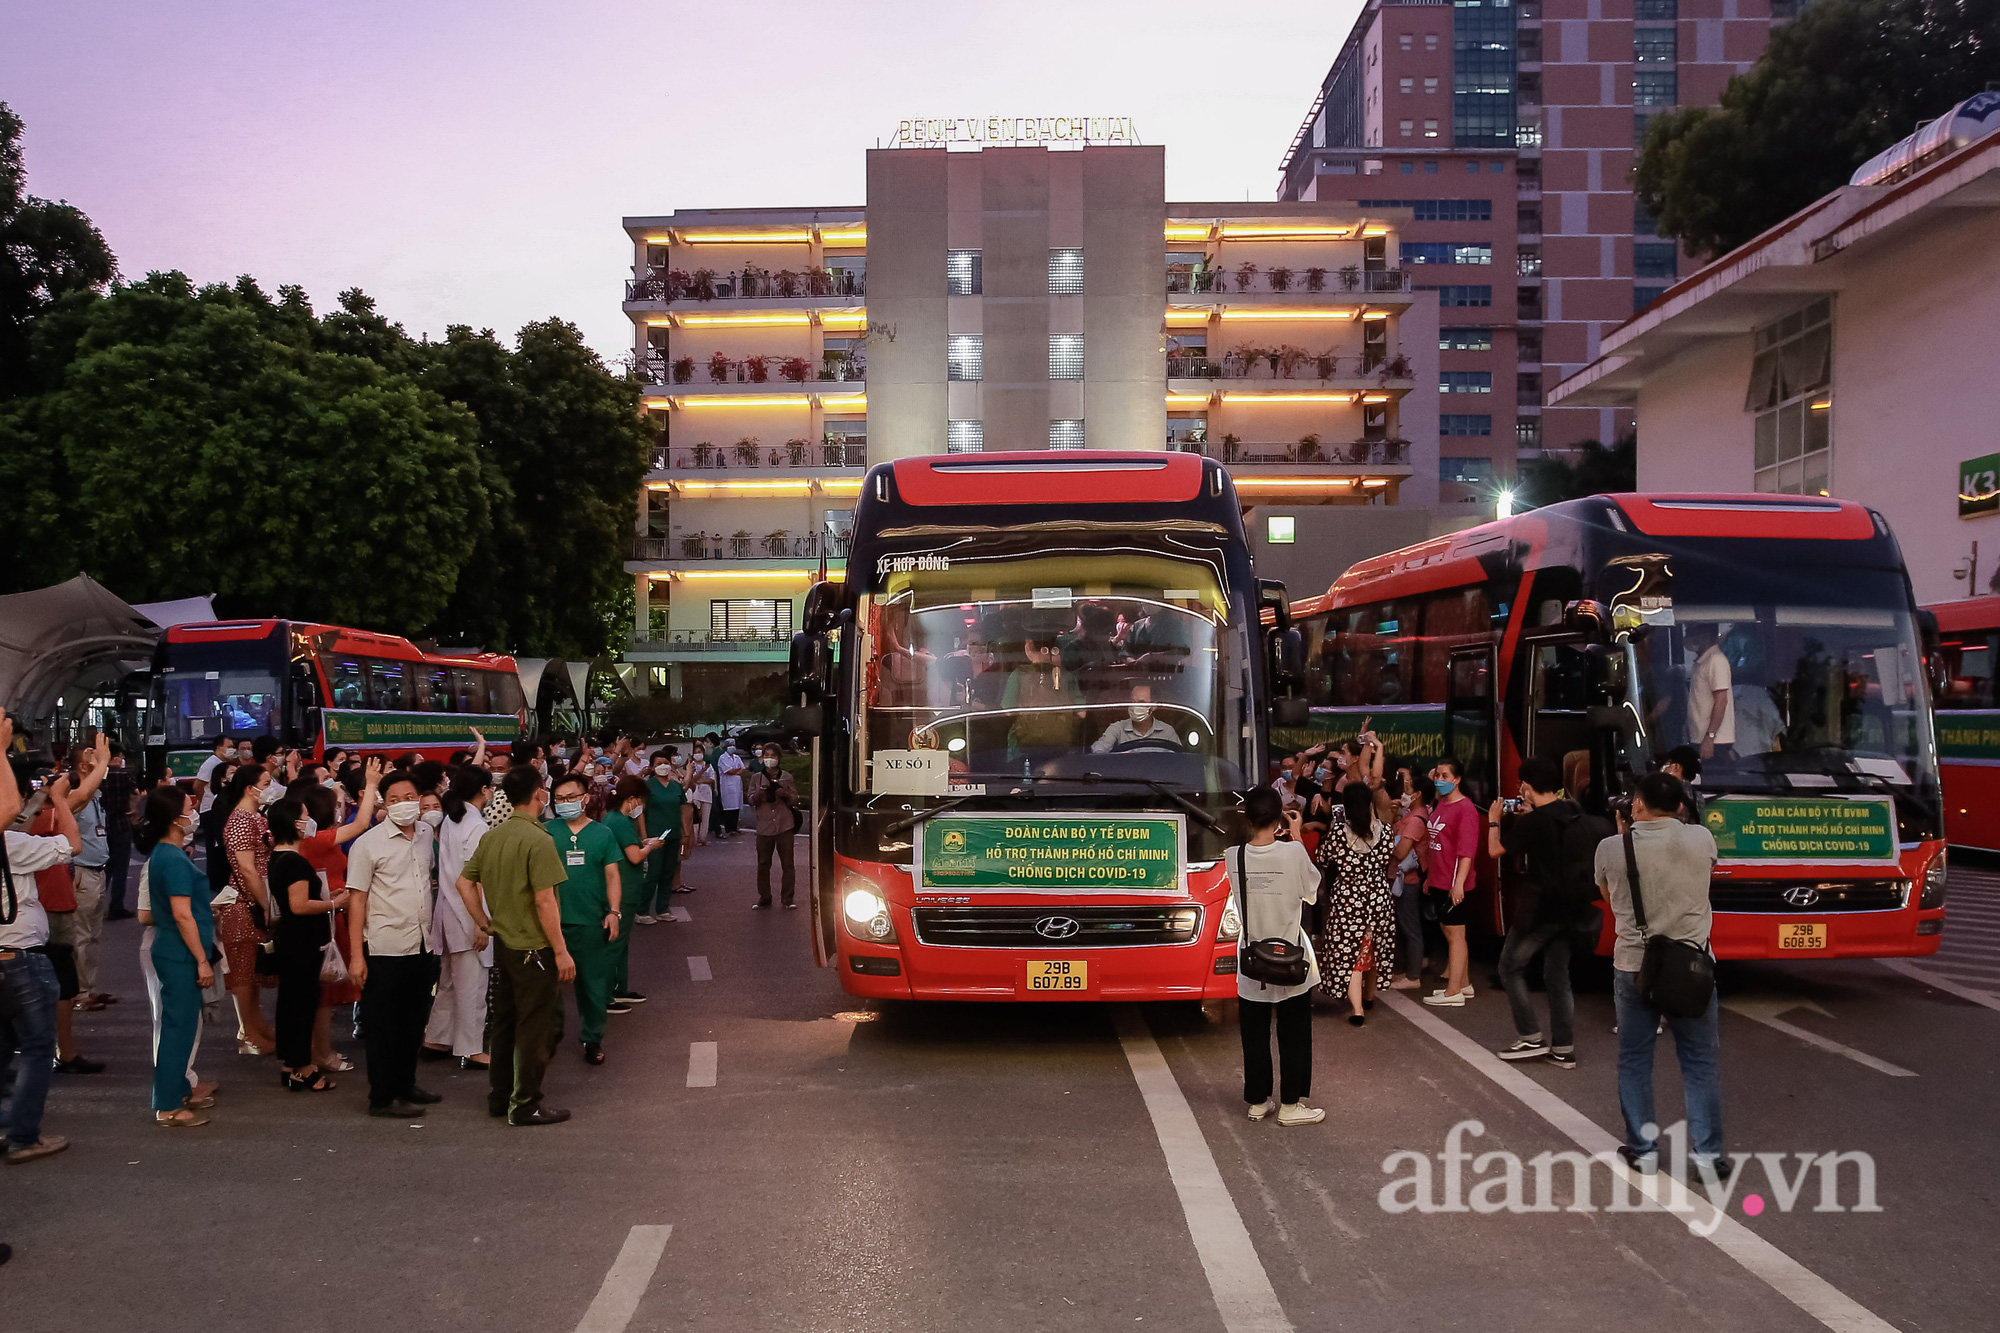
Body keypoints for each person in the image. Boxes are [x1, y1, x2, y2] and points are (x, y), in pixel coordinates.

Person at [1594, 771, 1726, 1175]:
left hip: (1635, 967)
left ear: (1636, 805)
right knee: (1699, 1062)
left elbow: (1608, 894)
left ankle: (1644, 1150)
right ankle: (1708, 1158)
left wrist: (1624, 834)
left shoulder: (1611, 848)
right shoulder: (1701, 839)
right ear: (1682, 807)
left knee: (1635, 1059)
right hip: (1692, 967)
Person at [454, 765, 573, 1126]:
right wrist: (561, 950)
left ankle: (500, 1095)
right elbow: (545, 901)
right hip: (534, 949)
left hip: (504, 944)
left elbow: (464, 883)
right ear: (539, 794)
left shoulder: (493, 836)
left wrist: (484, 923)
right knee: (538, 1027)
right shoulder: (539, 840)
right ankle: (525, 1104)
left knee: (505, 1023)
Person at [1487, 757, 1600, 1068]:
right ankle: (1563, 1048)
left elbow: (1495, 850)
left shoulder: (1537, 821)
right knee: (1557, 975)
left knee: (1509, 966)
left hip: (1542, 909)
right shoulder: (1573, 809)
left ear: (1527, 785)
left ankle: (1530, 1037)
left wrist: (1494, 820)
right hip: (1574, 908)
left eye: (1522, 783)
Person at [345, 772, 440, 1118]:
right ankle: (382, 1097)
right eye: (395, 799)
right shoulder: (367, 844)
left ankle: (406, 1083)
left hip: (421, 943)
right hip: (384, 947)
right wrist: (357, 956)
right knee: (384, 1026)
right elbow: (356, 900)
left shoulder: (426, 834)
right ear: (384, 802)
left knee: (413, 1022)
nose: (404, 804)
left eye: (409, 796)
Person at [2, 736, 78, 1161]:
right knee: (35, 1048)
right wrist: (60, 800)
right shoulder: (9, 846)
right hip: (20, 957)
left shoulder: (11, 841)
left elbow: (17, 816)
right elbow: (70, 845)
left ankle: (7, 1127)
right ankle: (24, 1136)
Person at [1231, 786, 1325, 1126]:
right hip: (1290, 957)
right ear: (1278, 817)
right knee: (1294, 1031)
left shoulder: (1234, 856)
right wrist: (1297, 836)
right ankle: (1290, 1105)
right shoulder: (1293, 853)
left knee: (1254, 1032)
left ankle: (1258, 1100)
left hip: (1252, 959)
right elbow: (1311, 891)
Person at [137, 784, 215, 1129]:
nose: (194, 810)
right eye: (188, 805)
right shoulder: (172, 858)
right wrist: (201, 958)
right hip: (179, 952)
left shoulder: (165, 854)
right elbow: (182, 915)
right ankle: (167, 1105)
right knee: (178, 1029)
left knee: (179, 1025)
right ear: (174, 817)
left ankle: (178, 1090)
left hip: (173, 948)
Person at [297, 770, 375, 1072]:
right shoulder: (316, 840)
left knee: (324, 996)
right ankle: (321, 1054)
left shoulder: (316, 839)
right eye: (337, 803)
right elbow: (361, 823)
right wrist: (371, 786)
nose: (341, 807)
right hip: (326, 917)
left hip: (333, 916)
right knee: (323, 997)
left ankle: (323, 1050)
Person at [267, 797, 345, 1092]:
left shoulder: (278, 858)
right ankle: (302, 1066)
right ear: (294, 823)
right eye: (305, 815)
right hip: (301, 942)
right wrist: (333, 903)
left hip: (291, 941)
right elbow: (298, 905)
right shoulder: (295, 862)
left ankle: (293, 1065)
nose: (309, 820)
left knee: (292, 1004)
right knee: (301, 1005)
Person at [547, 772, 623, 1067]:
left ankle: (593, 1039)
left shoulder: (602, 834)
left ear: (585, 799)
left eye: (570, 798)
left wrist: (614, 912)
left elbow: (612, 875)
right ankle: (550, 1035)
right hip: (552, 921)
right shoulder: (547, 832)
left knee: (592, 985)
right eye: (559, 799)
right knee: (548, 986)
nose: (565, 803)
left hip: (591, 921)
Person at [1312, 782, 1399, 1026]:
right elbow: (1388, 856)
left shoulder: (1339, 833)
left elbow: (1322, 858)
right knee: (1374, 948)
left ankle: (1357, 1009)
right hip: (1379, 896)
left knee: (1349, 952)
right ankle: (1369, 997)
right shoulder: (1386, 830)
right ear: (1370, 804)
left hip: (1349, 898)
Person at [424, 765, 492, 1069]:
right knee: (472, 985)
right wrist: (481, 922)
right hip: (468, 913)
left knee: (450, 982)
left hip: (449, 911)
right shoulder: (475, 825)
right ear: (483, 791)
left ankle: (437, 1038)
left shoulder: (454, 819)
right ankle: (471, 1048)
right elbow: (475, 877)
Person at [217, 764, 279, 1054]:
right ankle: (249, 1033)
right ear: (249, 788)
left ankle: (257, 1026)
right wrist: (266, 905)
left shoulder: (256, 817)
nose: (271, 786)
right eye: (266, 782)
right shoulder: (241, 820)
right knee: (242, 972)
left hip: (255, 901)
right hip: (245, 905)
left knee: (252, 971)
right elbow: (247, 868)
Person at [1421, 756, 1480, 1006]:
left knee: (1456, 935)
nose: (1440, 780)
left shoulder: (1466, 809)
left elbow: (1466, 852)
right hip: (1439, 879)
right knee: (1450, 932)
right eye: (1438, 775)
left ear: (1457, 780)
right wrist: (1430, 878)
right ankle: (1464, 983)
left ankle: (1453, 991)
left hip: (1454, 883)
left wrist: (1458, 884)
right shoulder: (1441, 804)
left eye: (1446, 776)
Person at [66, 736, 118, 1013]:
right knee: (81, 936)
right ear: (83, 766)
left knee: (93, 936)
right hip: (82, 871)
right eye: (93, 754)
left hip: (97, 870)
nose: (100, 756)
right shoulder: (76, 797)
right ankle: (80, 993)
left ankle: (90, 987)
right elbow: (82, 797)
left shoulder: (95, 796)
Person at [1002, 633, 1084, 768]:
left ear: (1028, 646)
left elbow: (1008, 712)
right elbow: (1082, 714)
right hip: (1060, 748)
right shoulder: (1067, 676)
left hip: (1022, 749)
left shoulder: (1018, 674)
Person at [1385, 773, 1431, 990]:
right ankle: (1403, 970)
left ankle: (1413, 976)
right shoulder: (1409, 816)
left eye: (1409, 788)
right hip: (1400, 880)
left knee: (1410, 927)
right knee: (1402, 926)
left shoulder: (1415, 820)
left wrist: (1384, 846)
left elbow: (1401, 852)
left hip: (1408, 882)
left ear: (1418, 794)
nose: (1405, 793)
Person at [634, 753, 687, 924]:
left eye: (666, 762)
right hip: (654, 835)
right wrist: (644, 837)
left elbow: (683, 809)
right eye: (659, 763)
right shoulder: (647, 786)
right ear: (652, 766)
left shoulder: (675, 786)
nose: (663, 766)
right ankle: (641, 910)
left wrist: (685, 832)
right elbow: (640, 812)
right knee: (653, 872)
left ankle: (663, 908)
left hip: (673, 834)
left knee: (668, 872)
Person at [746, 743, 799, 910]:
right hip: (764, 825)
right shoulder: (756, 778)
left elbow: (795, 799)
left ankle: (787, 898)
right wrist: (760, 794)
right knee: (763, 863)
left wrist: (784, 793)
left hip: (785, 824)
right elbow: (750, 799)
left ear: (778, 758)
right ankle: (764, 896)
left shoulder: (787, 777)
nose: (770, 759)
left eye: (773, 756)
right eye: (767, 755)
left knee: (788, 863)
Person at [1683, 623, 1735, 760]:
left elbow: (1721, 700)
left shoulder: (1716, 660)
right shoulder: (1701, 662)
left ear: (1705, 635)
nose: (1688, 638)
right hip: (1701, 739)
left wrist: (1710, 737)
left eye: (1691, 633)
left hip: (1714, 743)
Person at [100, 742, 138, 919]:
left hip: (102, 824)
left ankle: (98, 904)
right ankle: (116, 905)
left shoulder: (100, 776)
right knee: (121, 868)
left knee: (105, 867)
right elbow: (136, 793)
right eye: (122, 757)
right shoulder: (125, 776)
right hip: (122, 823)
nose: (123, 760)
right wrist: (133, 810)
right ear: (116, 758)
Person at [1089, 683, 1182, 752]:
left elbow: (1178, 760)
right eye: (1133, 702)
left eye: (1141, 702)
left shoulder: (1168, 732)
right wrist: (1101, 753)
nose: (1135, 706)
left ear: (1154, 706)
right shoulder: (1117, 728)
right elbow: (1099, 747)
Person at [684, 747, 714, 848]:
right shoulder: (691, 766)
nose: (698, 754)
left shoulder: (709, 765)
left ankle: (703, 838)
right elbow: (692, 780)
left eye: (700, 752)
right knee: (696, 817)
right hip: (695, 794)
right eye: (696, 752)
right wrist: (701, 774)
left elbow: (711, 779)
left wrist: (701, 780)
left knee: (706, 817)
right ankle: (695, 838)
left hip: (707, 794)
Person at [715, 741, 746, 837]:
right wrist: (736, 770)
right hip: (727, 786)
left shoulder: (737, 757)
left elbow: (743, 769)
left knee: (736, 807)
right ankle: (729, 829)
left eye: (733, 745)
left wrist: (735, 770)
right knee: (729, 808)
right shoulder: (722, 758)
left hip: (737, 785)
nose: (732, 747)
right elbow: (729, 771)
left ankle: (735, 828)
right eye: (730, 746)